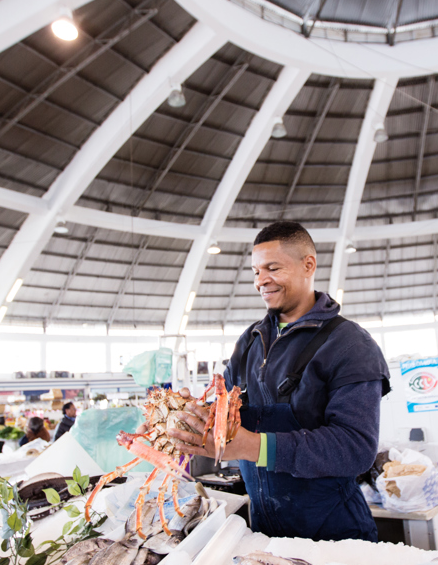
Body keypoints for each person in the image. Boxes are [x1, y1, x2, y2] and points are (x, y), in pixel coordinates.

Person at [167, 221, 390, 543]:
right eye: (256, 272)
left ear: (308, 265)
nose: (262, 281)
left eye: (273, 268)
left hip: (335, 532)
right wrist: (194, 414)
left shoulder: (351, 345)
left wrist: (250, 446)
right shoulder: (250, 341)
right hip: (264, 531)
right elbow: (227, 411)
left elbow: (355, 448)